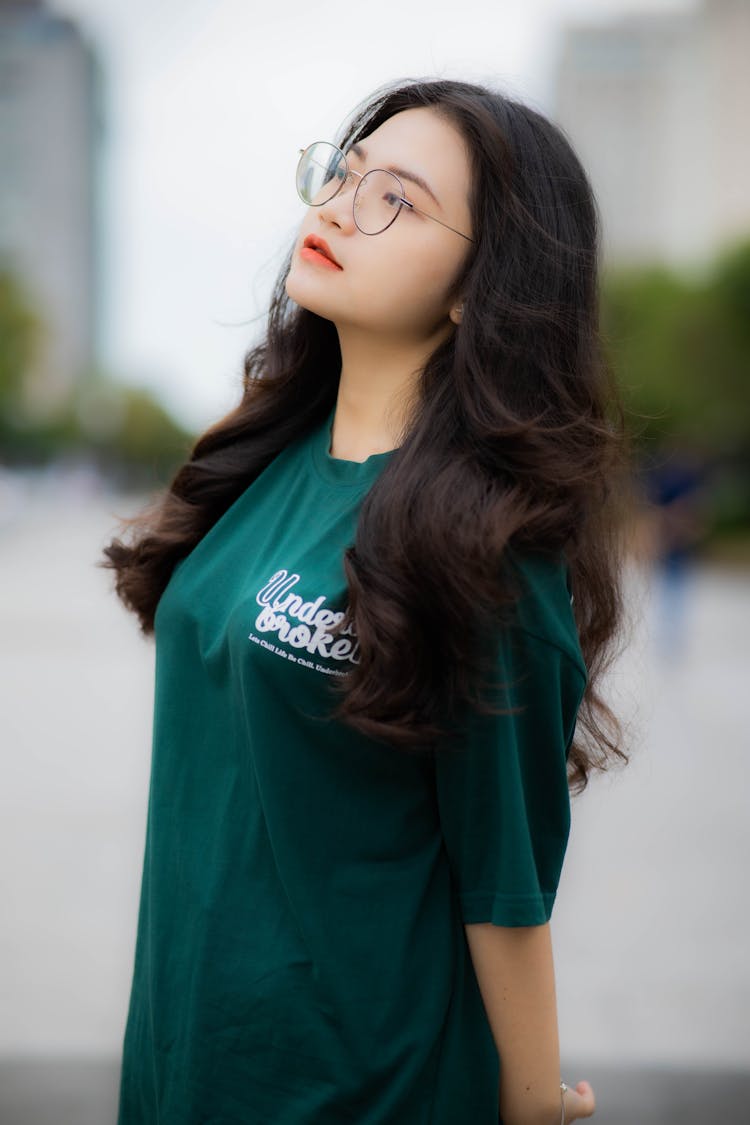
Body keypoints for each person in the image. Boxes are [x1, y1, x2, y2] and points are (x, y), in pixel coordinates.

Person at [103, 76, 634, 1125]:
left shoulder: (480, 555)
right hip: (186, 1048)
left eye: (397, 198)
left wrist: (530, 1100)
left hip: (359, 1084)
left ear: (483, 285)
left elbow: (505, 884)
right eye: (343, 173)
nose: (340, 206)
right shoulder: (264, 462)